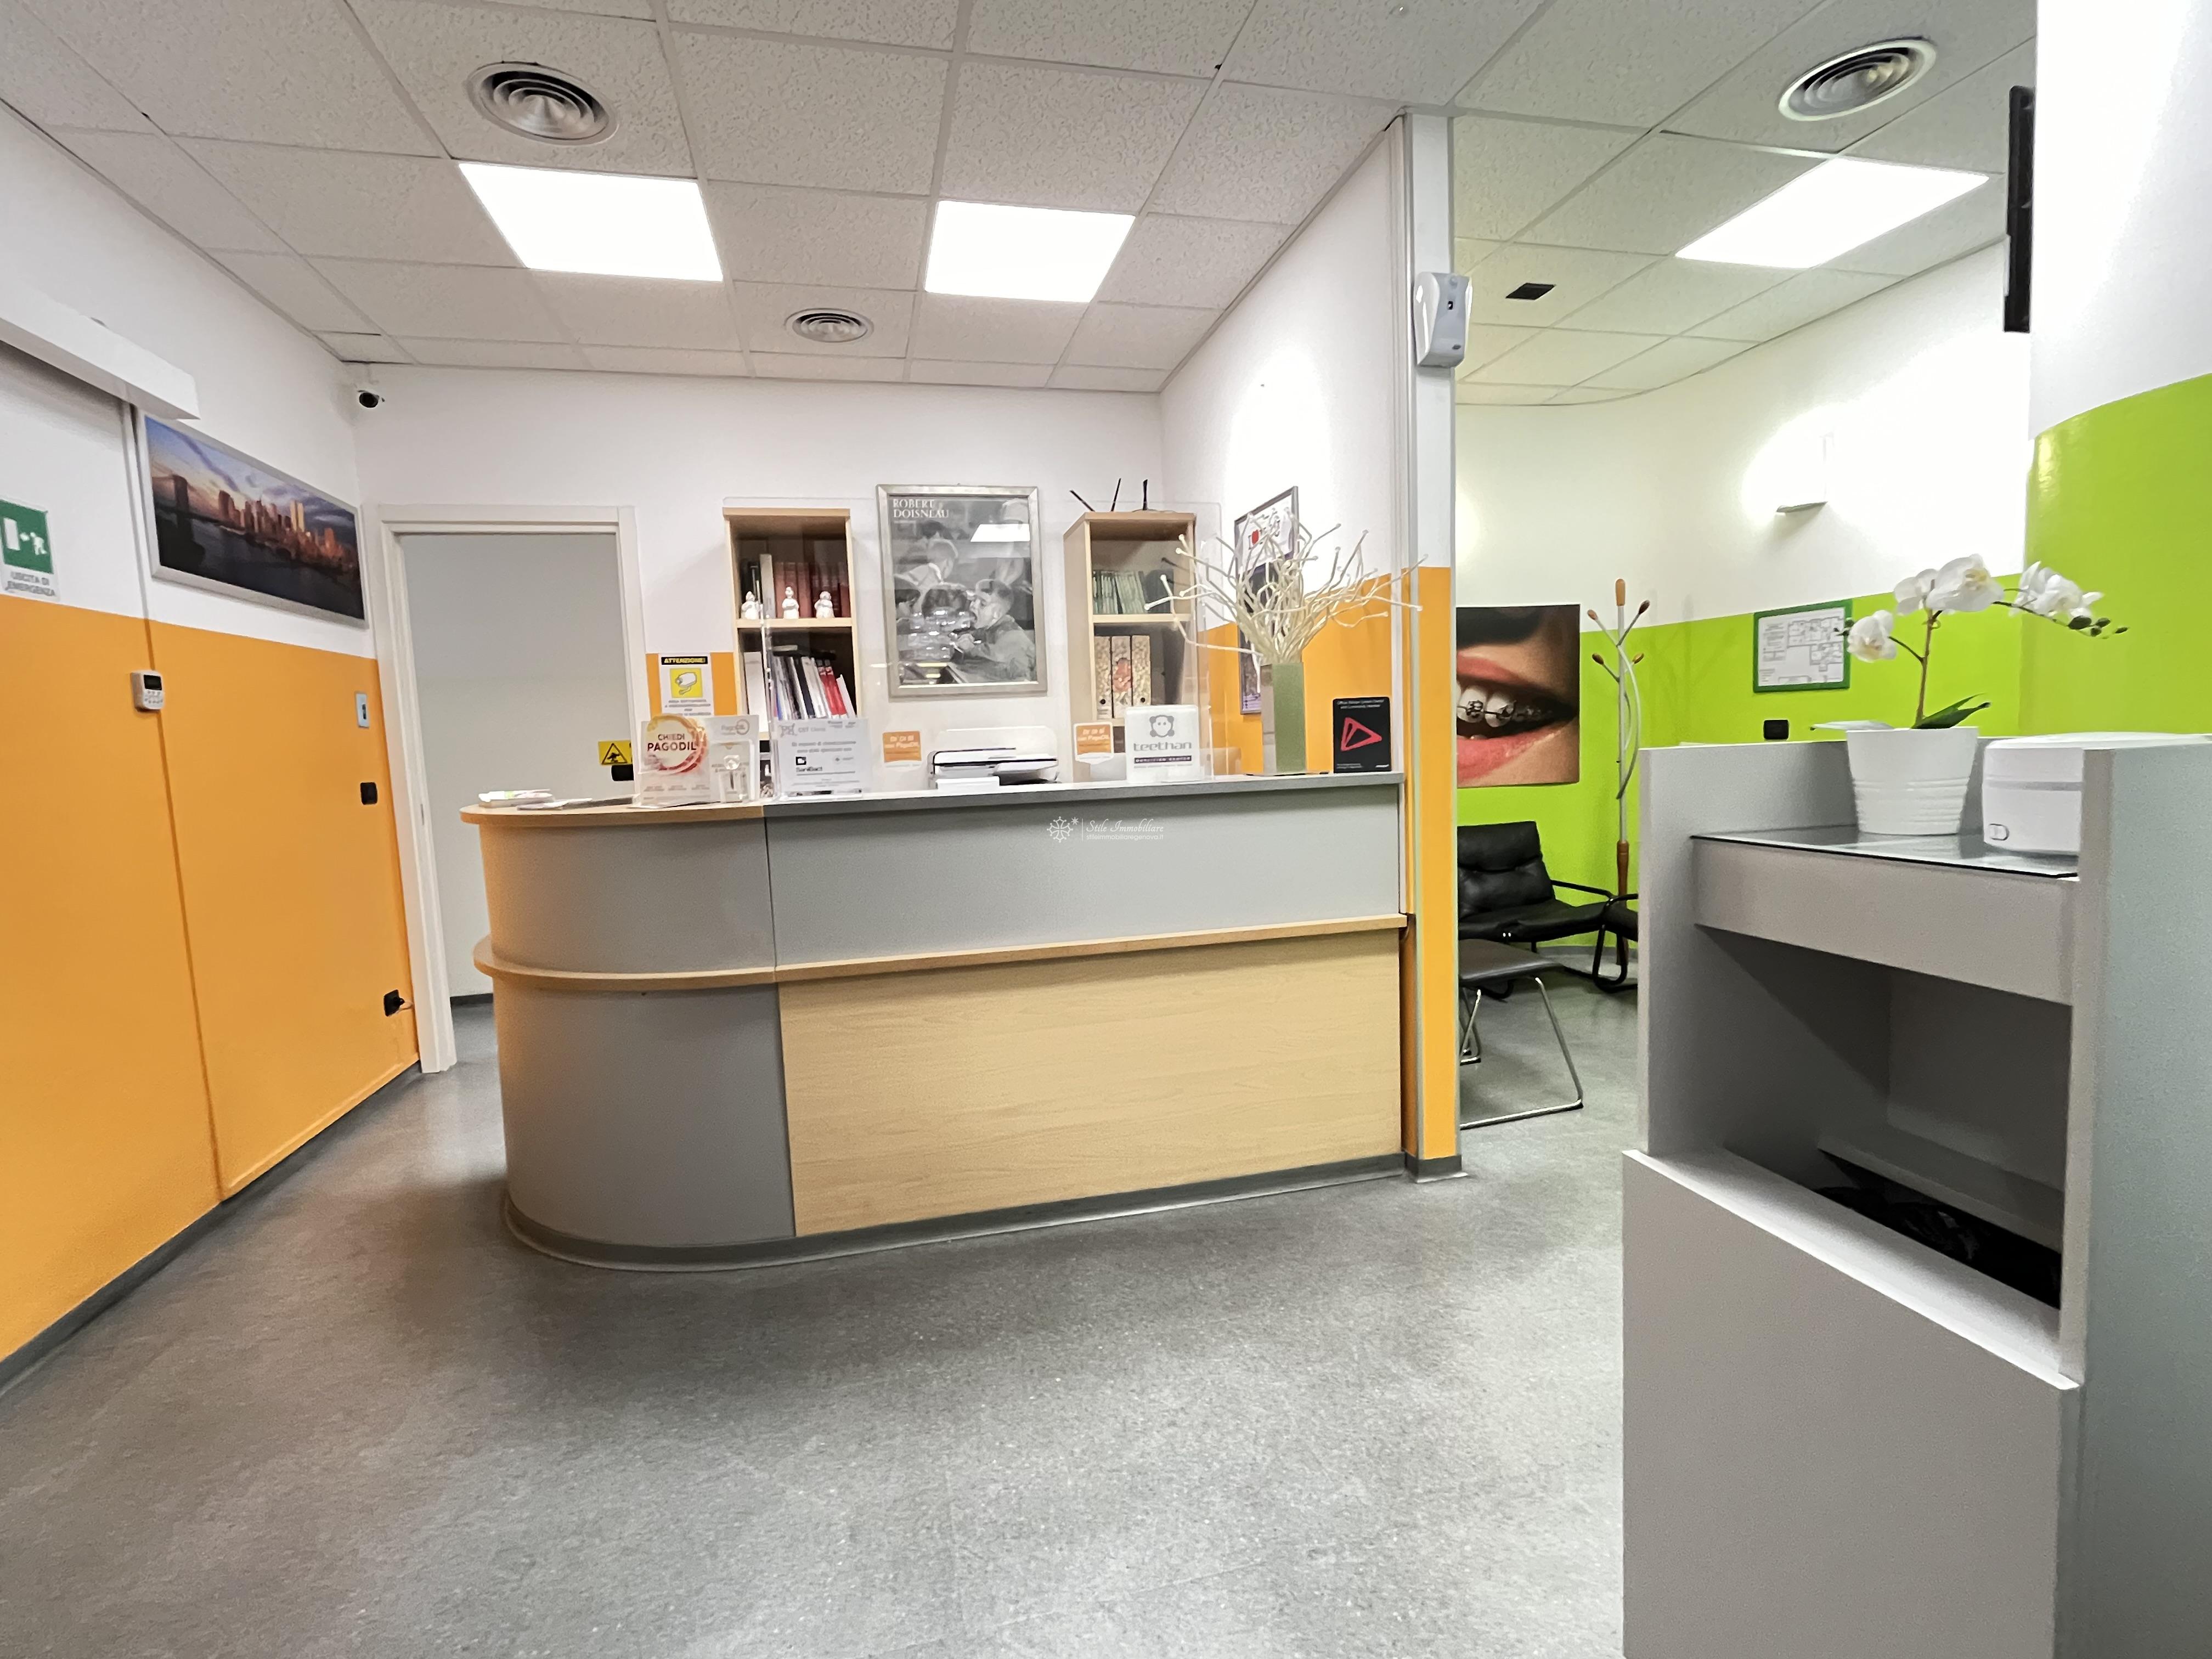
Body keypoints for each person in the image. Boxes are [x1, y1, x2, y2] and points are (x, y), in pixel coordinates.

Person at [953, 579, 1036, 683]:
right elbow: (980, 633)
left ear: (997, 613)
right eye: (974, 600)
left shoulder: (1012, 635)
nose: (973, 606)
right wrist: (970, 636)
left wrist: (971, 648)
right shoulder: (994, 627)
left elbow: (993, 657)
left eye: (983, 604)